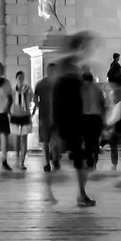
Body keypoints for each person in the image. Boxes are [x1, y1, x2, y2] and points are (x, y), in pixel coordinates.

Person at [46, 36, 98, 207]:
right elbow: (61, 99)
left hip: (72, 120)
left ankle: (80, 194)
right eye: (85, 47)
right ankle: (74, 194)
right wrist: (55, 126)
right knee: (62, 160)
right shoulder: (68, 70)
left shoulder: (71, 69)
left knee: (75, 160)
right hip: (68, 120)